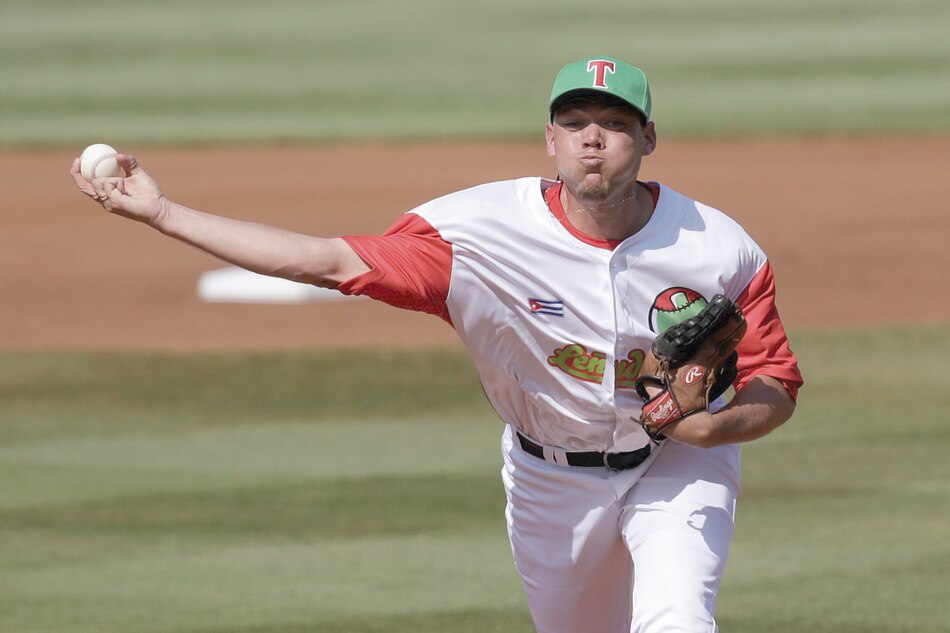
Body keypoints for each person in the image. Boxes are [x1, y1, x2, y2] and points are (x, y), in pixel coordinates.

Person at [71, 56, 802, 633]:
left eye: (613, 122)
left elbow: (776, 381)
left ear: (646, 138)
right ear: (549, 139)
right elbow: (325, 260)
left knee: (677, 618)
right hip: (552, 478)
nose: (592, 137)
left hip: (676, 464)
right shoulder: (475, 234)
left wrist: (714, 425)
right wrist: (164, 213)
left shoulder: (718, 248)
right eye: (574, 120)